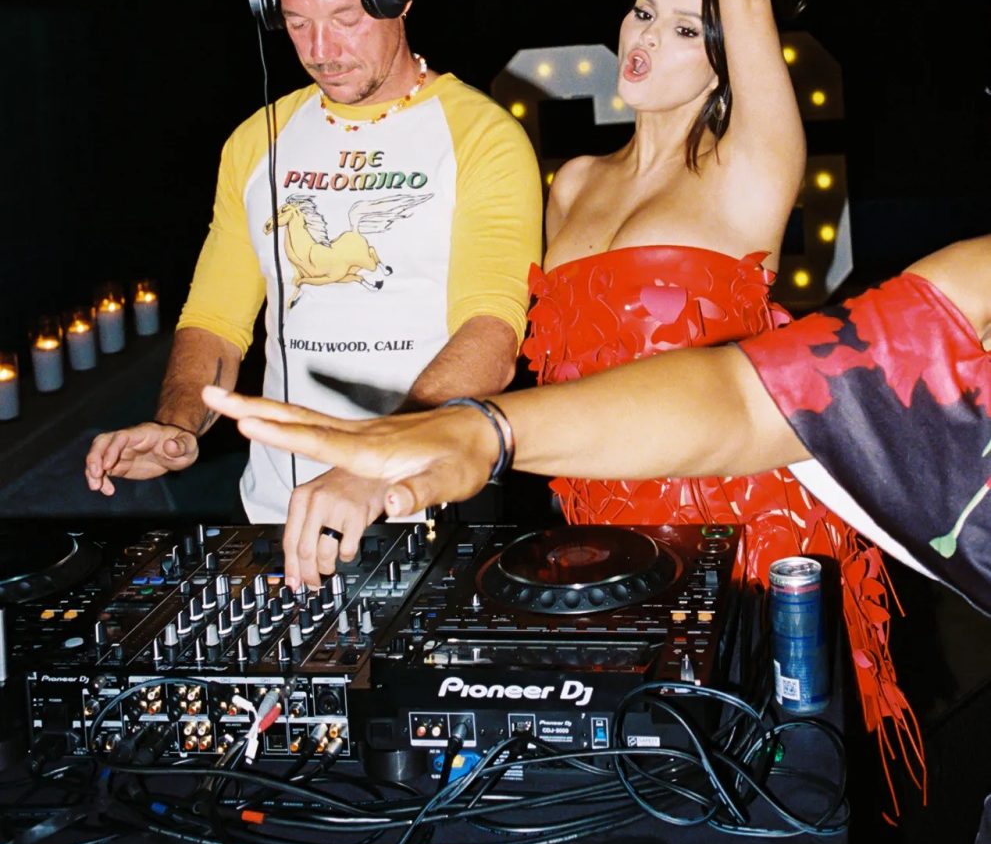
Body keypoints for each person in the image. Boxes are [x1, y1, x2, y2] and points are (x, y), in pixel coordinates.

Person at [517, 0, 919, 781]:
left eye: (683, 28)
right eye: (641, 11)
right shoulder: (569, 184)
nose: (644, 38)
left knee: (757, 803)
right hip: (601, 542)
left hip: (743, 541)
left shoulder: (747, 169)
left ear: (727, 58)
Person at [84, 0, 543, 572]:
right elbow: (215, 321)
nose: (320, 51)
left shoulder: (482, 137)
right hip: (275, 512)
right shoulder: (256, 141)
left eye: (345, 20)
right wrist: (177, 423)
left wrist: (373, 462)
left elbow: (491, 335)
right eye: (297, 23)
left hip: (420, 504)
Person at [201, 234, 991, 620]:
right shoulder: (972, 281)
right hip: (607, 496)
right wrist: (481, 433)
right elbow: (752, 395)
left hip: (733, 515)